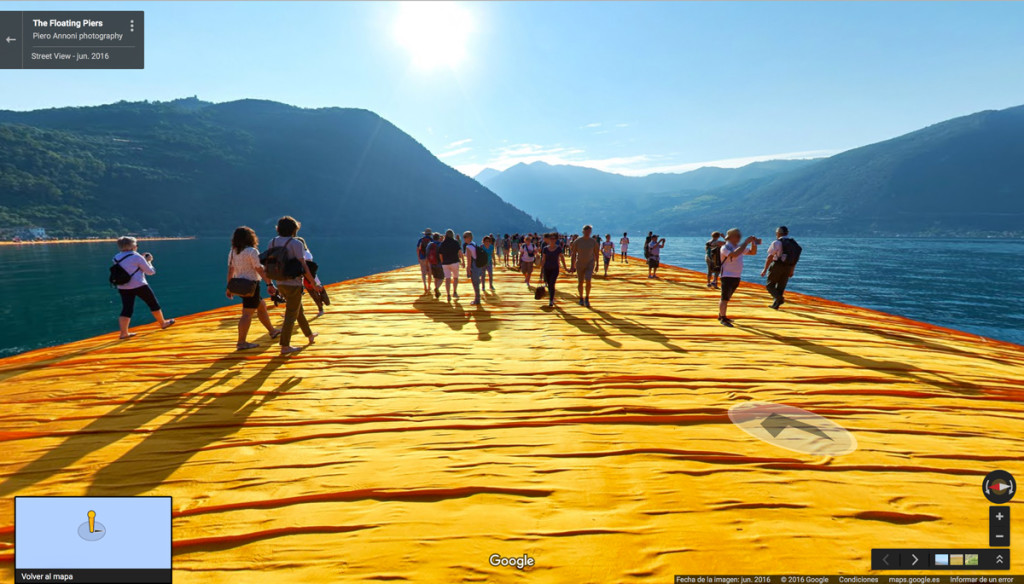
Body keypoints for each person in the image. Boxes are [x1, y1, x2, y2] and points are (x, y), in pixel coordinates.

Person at [268, 216, 318, 355]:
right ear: (294, 229)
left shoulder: (271, 242)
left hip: (280, 282)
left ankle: (309, 335)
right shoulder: (296, 243)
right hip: (294, 283)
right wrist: (313, 282)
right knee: (291, 314)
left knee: (297, 310)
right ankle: (285, 346)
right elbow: (303, 265)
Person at [226, 226, 281, 350]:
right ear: (250, 238)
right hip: (251, 286)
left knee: (261, 306)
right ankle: (241, 342)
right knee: (247, 314)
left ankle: (272, 331)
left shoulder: (233, 252)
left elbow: (230, 270)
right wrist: (270, 284)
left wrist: (229, 287)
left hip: (240, 286)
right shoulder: (251, 251)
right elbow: (259, 269)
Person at [112, 236, 175, 339]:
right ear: (133, 246)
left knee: (127, 309)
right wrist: (149, 261)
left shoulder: (116, 257)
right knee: (153, 304)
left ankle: (123, 333)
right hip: (139, 285)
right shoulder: (137, 257)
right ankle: (163, 323)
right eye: (136, 244)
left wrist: (141, 259)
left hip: (123, 286)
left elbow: (128, 265)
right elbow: (150, 272)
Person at [718, 228, 760, 326]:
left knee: (727, 298)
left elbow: (752, 252)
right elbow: (734, 254)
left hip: (736, 276)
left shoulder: (739, 247)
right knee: (724, 298)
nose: (739, 238)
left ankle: (721, 315)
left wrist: (753, 243)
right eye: (737, 236)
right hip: (727, 276)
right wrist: (746, 242)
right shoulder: (725, 247)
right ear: (731, 237)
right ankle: (723, 318)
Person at [760, 225, 802, 310]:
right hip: (788, 266)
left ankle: (779, 299)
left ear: (779, 233)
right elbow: (795, 259)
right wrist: (792, 270)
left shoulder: (777, 243)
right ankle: (776, 305)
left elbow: (770, 257)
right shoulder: (793, 243)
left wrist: (764, 269)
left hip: (777, 265)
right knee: (781, 287)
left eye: (776, 232)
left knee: (770, 286)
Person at [295, 236, 328, 317]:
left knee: (314, 293)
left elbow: (309, 268)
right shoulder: (298, 253)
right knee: (297, 295)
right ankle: (294, 312)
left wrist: (311, 279)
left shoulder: (306, 254)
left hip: (309, 276)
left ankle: (321, 309)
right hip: (301, 276)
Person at [569, 224, 600, 307]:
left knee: (588, 280)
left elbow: (597, 254)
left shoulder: (593, 242)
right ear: (583, 231)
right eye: (586, 231)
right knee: (580, 282)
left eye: (589, 231)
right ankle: (581, 297)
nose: (587, 233)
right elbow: (573, 254)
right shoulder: (578, 241)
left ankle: (587, 297)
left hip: (590, 263)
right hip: (580, 264)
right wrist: (572, 266)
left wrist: (597, 265)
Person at [539, 232, 568, 307]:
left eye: (553, 239)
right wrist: (541, 270)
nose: (552, 240)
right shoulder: (545, 249)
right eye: (550, 238)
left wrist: (565, 267)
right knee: (549, 284)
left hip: (555, 268)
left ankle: (551, 299)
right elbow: (543, 259)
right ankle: (551, 297)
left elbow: (562, 258)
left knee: (552, 283)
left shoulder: (558, 248)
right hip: (546, 268)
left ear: (556, 240)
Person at [439, 229, 462, 302]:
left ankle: (448, 294)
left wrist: (442, 262)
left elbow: (440, 254)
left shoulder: (443, 243)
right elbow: (460, 252)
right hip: (454, 262)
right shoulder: (455, 242)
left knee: (447, 279)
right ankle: (454, 292)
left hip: (445, 264)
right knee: (455, 277)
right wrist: (462, 261)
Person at [462, 231, 485, 306]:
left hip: (473, 266)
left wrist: (468, 269)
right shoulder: (474, 244)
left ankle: (477, 300)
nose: (464, 239)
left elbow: (469, 260)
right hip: (478, 265)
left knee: (475, 283)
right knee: (476, 282)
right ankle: (477, 298)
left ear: (469, 238)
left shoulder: (468, 247)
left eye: (465, 237)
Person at [425, 232, 444, 298]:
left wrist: (427, 264)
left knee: (435, 277)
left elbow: (427, 254)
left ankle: (437, 292)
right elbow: (442, 254)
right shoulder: (441, 244)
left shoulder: (429, 245)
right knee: (441, 278)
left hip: (432, 263)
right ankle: (437, 288)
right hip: (439, 264)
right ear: (439, 238)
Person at [415, 228, 434, 293]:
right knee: (429, 273)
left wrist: (418, 257)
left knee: (423, 272)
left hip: (422, 257)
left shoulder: (421, 240)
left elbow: (417, 249)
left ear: (425, 233)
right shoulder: (432, 240)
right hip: (429, 258)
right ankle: (429, 286)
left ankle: (424, 285)